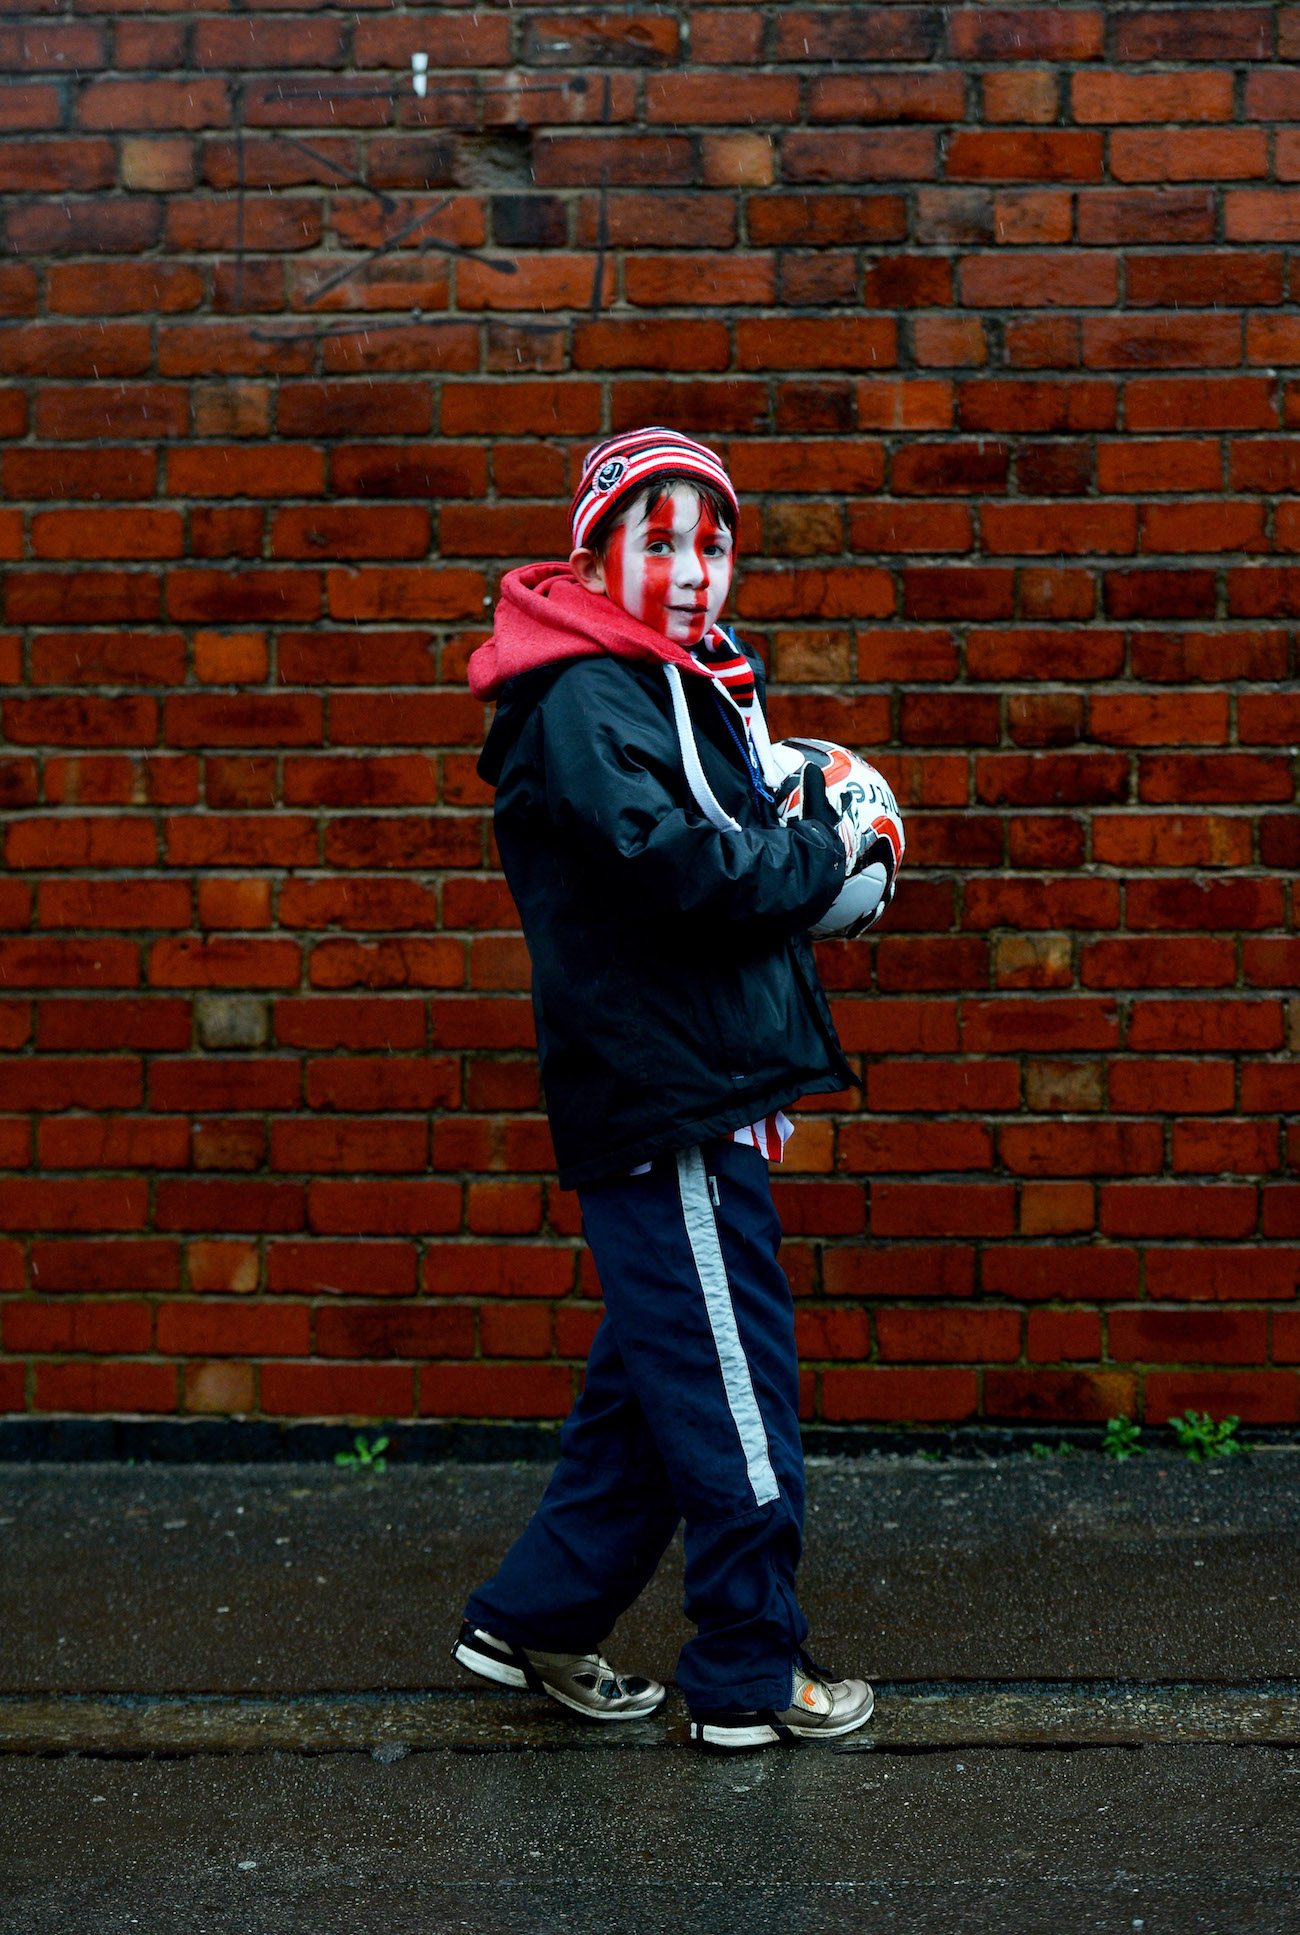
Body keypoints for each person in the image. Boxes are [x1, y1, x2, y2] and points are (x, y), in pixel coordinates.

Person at [454, 427, 895, 1750]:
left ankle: (533, 1618)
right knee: (737, 1388)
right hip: (672, 1099)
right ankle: (752, 1674)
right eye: (660, 543)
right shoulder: (591, 696)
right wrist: (820, 846)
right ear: (593, 556)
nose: (696, 570)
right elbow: (680, 871)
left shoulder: (663, 683)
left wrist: (792, 835)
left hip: (691, 1083)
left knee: (657, 1388)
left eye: (714, 544)